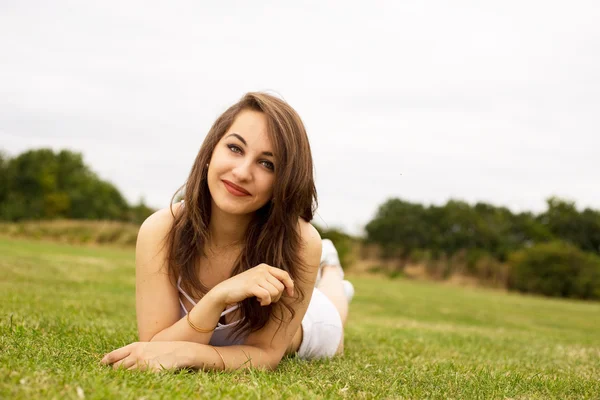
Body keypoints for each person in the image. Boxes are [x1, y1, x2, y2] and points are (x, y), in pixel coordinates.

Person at [100, 92, 354, 372]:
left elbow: (265, 355)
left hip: (308, 325)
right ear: (211, 150)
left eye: (267, 164)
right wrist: (218, 296)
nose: (242, 172)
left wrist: (189, 355)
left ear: (282, 182)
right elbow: (156, 347)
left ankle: (330, 268)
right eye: (235, 148)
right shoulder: (160, 230)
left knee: (333, 307)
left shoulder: (301, 242)